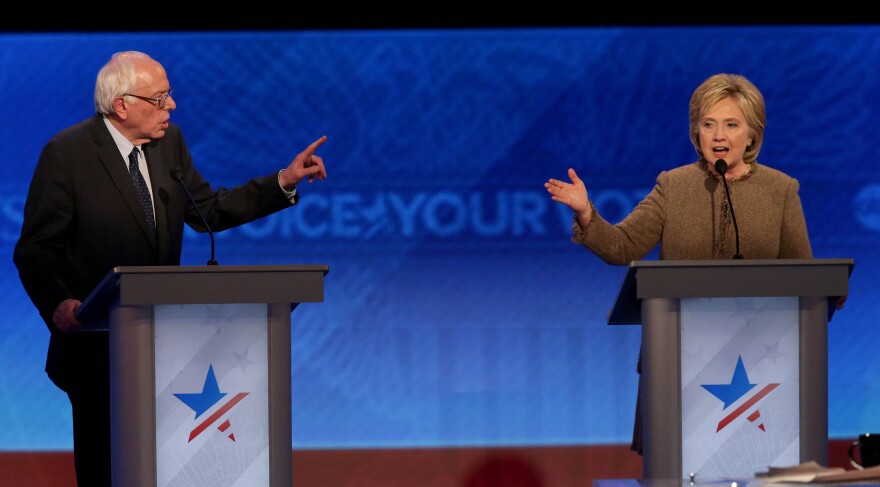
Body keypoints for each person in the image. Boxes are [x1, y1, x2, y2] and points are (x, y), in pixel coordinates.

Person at [12, 50, 328, 486]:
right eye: (160, 99)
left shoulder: (169, 144)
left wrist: (282, 183)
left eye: (170, 96)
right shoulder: (67, 154)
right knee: (108, 470)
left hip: (169, 348)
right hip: (96, 351)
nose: (171, 107)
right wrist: (59, 303)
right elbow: (35, 250)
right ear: (122, 105)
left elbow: (207, 211)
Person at [543, 73, 842, 455]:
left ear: (751, 135)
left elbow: (803, 272)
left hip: (759, 369)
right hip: (678, 359)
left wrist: (827, 292)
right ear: (696, 133)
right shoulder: (674, 186)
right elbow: (623, 246)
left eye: (731, 125)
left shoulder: (781, 190)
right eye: (708, 125)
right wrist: (587, 213)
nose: (719, 136)